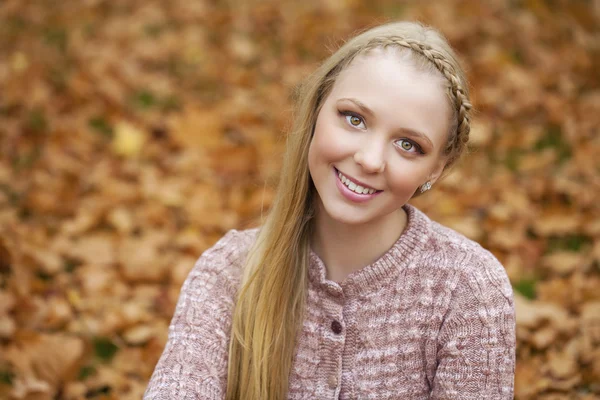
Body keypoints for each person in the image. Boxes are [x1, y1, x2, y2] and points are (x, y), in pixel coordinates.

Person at [144, 21, 516, 400]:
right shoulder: (228, 273)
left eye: (408, 145)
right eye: (354, 119)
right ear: (317, 109)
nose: (370, 160)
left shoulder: (467, 290)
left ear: (436, 168)